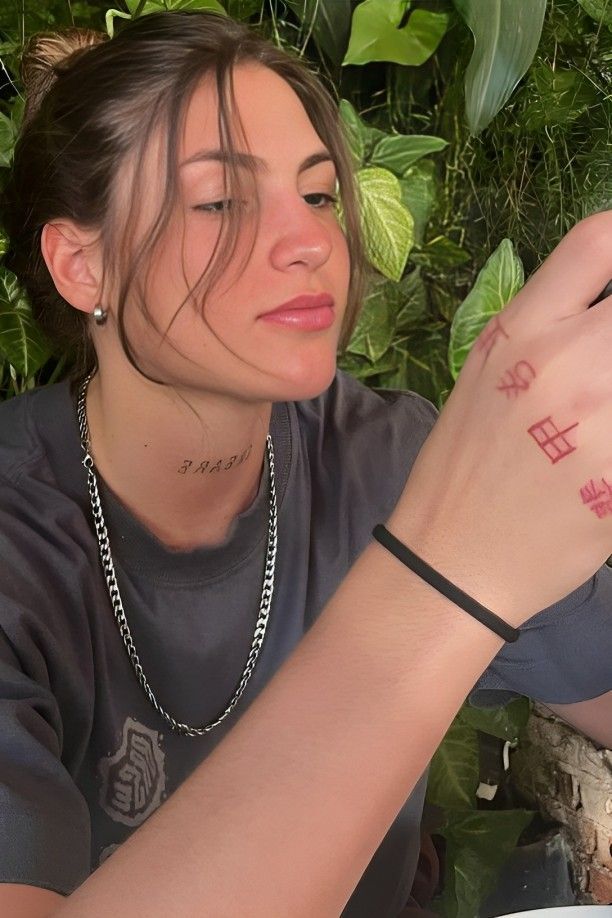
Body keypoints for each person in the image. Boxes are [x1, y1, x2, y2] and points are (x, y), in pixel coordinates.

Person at [1, 10, 611, 917]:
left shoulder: (394, 457)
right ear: (81, 265)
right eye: (219, 202)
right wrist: (439, 578)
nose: (312, 243)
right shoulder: (20, 543)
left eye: (320, 196)